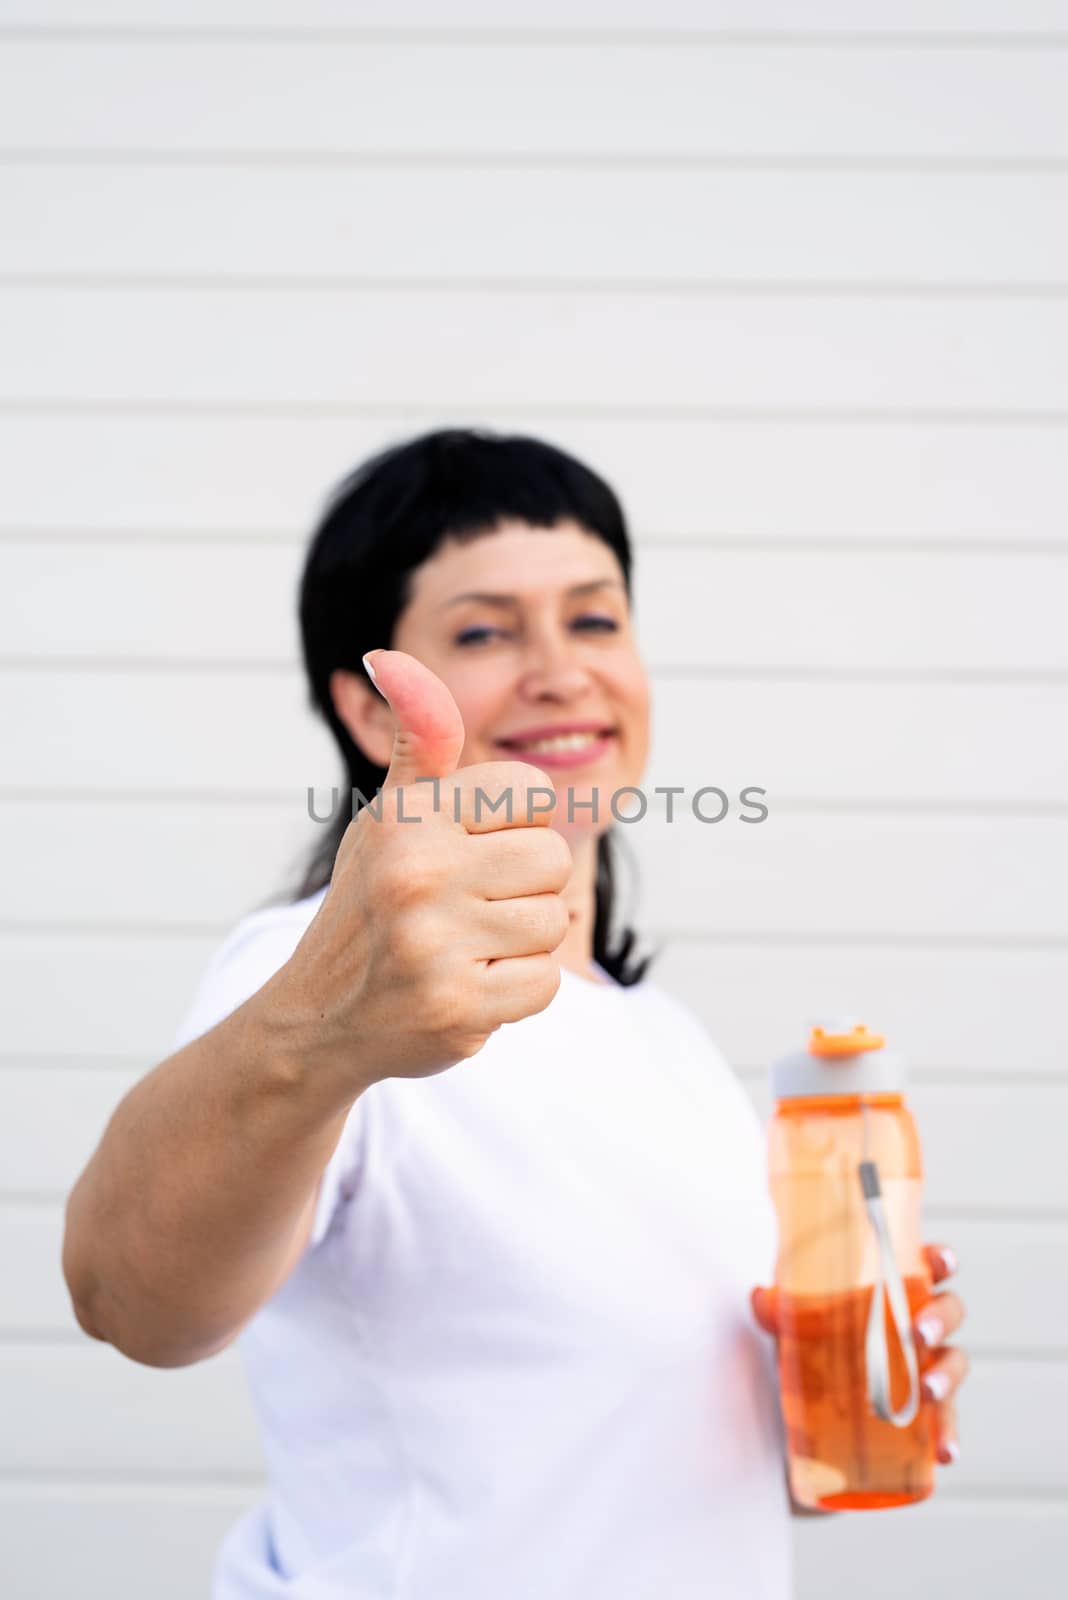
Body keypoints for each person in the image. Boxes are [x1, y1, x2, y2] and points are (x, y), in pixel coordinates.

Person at [62, 430, 968, 1599]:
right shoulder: (314, 977)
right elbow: (129, 1300)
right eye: (484, 631)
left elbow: (634, 1465)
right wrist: (318, 1032)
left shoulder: (666, 1040)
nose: (560, 671)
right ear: (369, 705)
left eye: (594, 619)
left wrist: (838, 1393)